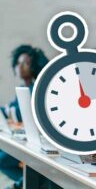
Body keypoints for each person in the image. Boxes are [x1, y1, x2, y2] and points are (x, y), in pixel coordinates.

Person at [0, 45, 49, 189]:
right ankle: (22, 182)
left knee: (3, 158)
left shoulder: (36, 89)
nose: (20, 67)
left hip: (36, 139)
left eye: (25, 63)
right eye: (18, 63)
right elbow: (11, 109)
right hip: (26, 135)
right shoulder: (22, 89)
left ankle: (22, 183)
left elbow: (17, 112)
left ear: (34, 66)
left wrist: (8, 112)